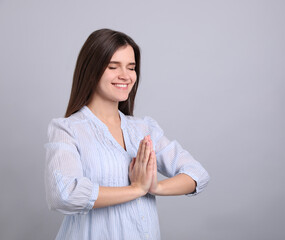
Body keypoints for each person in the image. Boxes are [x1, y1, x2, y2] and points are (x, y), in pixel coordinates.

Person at [44, 28, 210, 240]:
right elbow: (63, 194)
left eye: (131, 67)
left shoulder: (143, 129)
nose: (125, 76)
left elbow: (198, 174)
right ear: (91, 70)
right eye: (113, 66)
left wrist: (155, 187)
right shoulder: (67, 129)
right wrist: (136, 190)